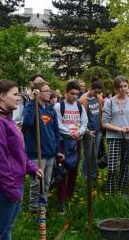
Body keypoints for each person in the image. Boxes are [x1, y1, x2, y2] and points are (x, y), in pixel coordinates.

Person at [0, 79, 43, 239]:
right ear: (2, 96)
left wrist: (32, 168)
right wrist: (12, 190)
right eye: (15, 94)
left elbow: (17, 152)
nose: (18, 98)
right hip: (0, 189)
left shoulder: (5, 118)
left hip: (13, 184)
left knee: (6, 230)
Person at [22, 82, 62, 214]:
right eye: (47, 91)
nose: (50, 93)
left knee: (47, 182)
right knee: (36, 183)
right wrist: (33, 102)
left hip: (50, 152)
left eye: (50, 90)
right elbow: (28, 122)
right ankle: (33, 209)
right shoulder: (31, 107)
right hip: (36, 152)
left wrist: (57, 150)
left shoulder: (50, 109)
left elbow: (56, 132)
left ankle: (43, 207)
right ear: (37, 92)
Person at [54, 81, 88, 213]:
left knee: (74, 168)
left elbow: (84, 122)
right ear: (66, 93)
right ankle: (60, 200)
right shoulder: (59, 106)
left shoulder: (80, 106)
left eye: (77, 94)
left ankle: (69, 195)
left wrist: (79, 132)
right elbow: (58, 124)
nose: (74, 96)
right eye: (72, 93)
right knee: (62, 170)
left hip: (76, 141)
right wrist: (70, 133)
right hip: (63, 142)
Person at [102, 75, 129, 195]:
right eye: (120, 87)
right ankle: (110, 192)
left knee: (125, 166)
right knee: (112, 167)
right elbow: (104, 123)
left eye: (125, 86)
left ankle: (123, 192)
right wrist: (119, 129)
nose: (123, 89)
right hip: (113, 138)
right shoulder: (109, 102)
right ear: (116, 88)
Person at [79, 79, 103, 182]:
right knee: (88, 154)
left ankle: (93, 176)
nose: (97, 94)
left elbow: (100, 113)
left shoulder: (98, 98)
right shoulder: (83, 100)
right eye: (95, 91)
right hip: (89, 132)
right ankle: (85, 177)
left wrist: (101, 128)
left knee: (95, 154)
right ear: (90, 88)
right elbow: (81, 119)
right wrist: (87, 130)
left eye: (98, 92)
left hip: (98, 131)